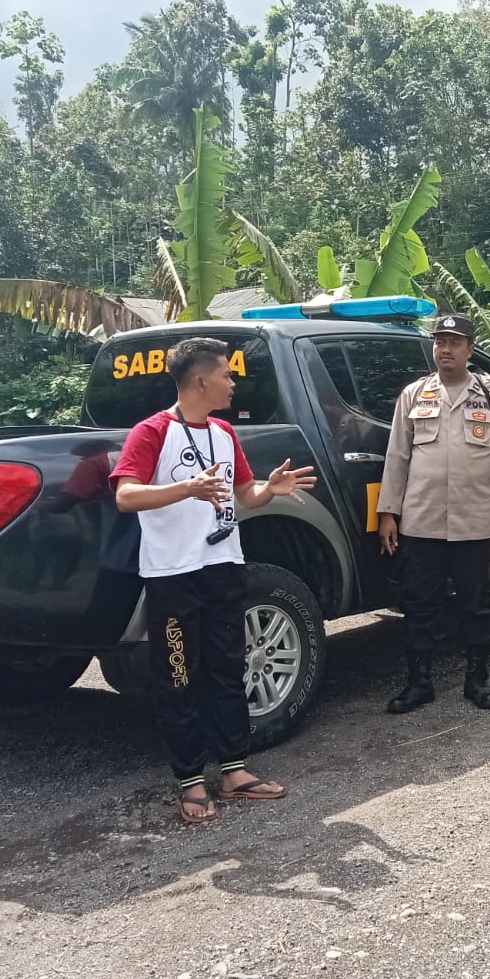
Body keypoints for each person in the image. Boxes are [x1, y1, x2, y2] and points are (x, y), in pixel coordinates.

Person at [111, 336, 317, 825]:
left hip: (223, 566)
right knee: (179, 676)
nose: (232, 383)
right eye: (226, 375)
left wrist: (272, 490)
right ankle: (189, 780)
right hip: (174, 574)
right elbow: (126, 496)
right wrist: (186, 488)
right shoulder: (152, 432)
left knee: (228, 668)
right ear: (200, 380)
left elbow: (244, 496)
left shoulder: (224, 432)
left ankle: (233, 770)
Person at [376, 313, 490, 714]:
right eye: (440, 341)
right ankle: (418, 683)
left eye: (455, 342)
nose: (445, 349)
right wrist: (387, 513)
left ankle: (477, 681)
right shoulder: (414, 394)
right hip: (421, 521)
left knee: (476, 604)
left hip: (475, 522)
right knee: (420, 604)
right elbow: (397, 456)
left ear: (470, 350)